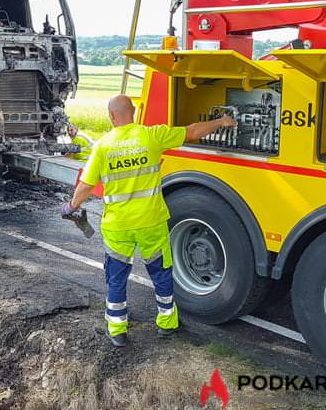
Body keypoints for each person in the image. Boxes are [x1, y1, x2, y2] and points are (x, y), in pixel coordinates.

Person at [62, 94, 236, 347]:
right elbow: (192, 132)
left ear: (112, 116)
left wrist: (71, 206)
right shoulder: (151, 136)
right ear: (133, 112)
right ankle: (167, 323)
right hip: (151, 222)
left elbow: (87, 186)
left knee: (116, 276)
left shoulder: (103, 146)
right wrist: (221, 121)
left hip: (118, 226)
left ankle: (117, 329)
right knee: (161, 272)